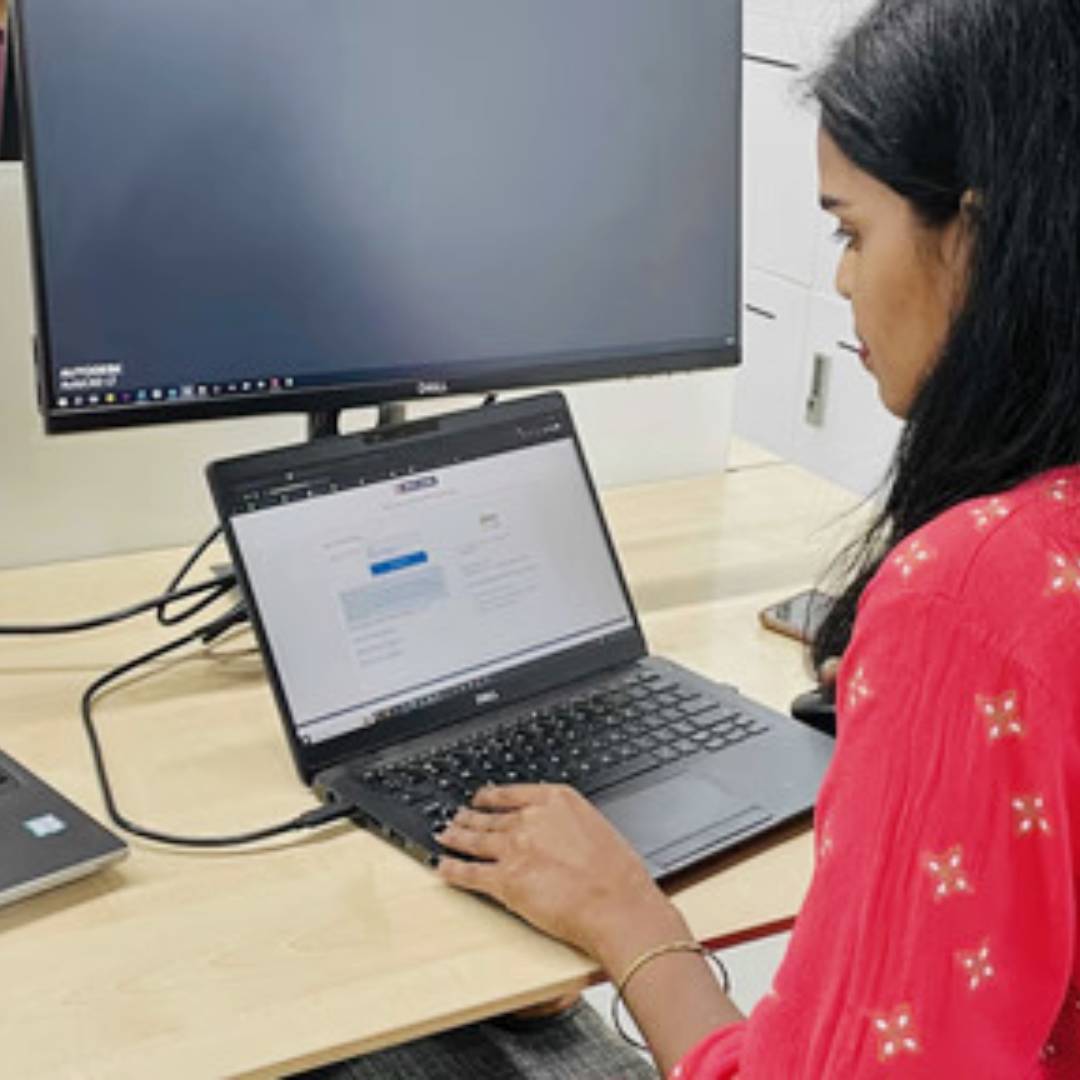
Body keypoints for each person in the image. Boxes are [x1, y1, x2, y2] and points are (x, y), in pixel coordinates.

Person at [302, 0, 1080, 1075]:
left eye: (852, 231)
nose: (843, 279)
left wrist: (623, 915)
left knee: (373, 1041)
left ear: (979, 235)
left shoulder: (969, 595)